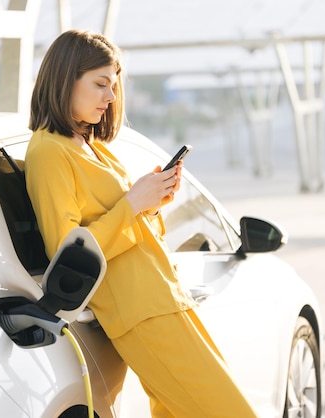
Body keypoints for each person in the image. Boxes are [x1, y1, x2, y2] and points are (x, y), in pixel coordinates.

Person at [24, 29, 258, 418]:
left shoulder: (90, 146)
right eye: (100, 84)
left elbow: (125, 226)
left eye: (113, 86)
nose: (111, 97)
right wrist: (134, 203)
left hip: (163, 298)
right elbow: (68, 254)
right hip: (140, 311)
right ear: (65, 79)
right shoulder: (49, 152)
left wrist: (151, 202)